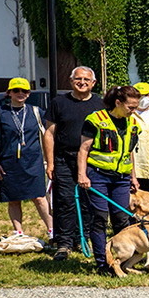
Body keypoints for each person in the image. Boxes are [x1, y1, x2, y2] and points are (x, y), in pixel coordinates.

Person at [76, 85, 142, 275]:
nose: (134, 111)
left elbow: (129, 152)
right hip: (98, 176)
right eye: (130, 107)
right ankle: (102, 263)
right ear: (118, 103)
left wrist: (133, 176)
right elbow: (83, 149)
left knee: (122, 219)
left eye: (136, 107)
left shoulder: (133, 123)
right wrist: (82, 175)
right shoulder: (95, 120)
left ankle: (122, 262)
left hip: (121, 178)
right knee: (99, 219)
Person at [43, 66, 102, 261]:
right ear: (71, 81)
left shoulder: (100, 104)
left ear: (93, 83)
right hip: (64, 159)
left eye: (86, 80)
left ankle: (82, 239)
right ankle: (64, 243)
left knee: (87, 202)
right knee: (65, 201)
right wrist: (50, 163)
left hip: (91, 161)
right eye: (78, 79)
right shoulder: (59, 103)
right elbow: (49, 134)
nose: (82, 82)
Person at [0, 77, 51, 239]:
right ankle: (19, 232)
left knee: (39, 197)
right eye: (16, 90)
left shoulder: (35, 111)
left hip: (33, 162)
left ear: (29, 93)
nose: (20, 93)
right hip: (9, 162)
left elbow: (50, 133)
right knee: (13, 199)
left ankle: (52, 231)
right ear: (9, 93)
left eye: (24, 91)